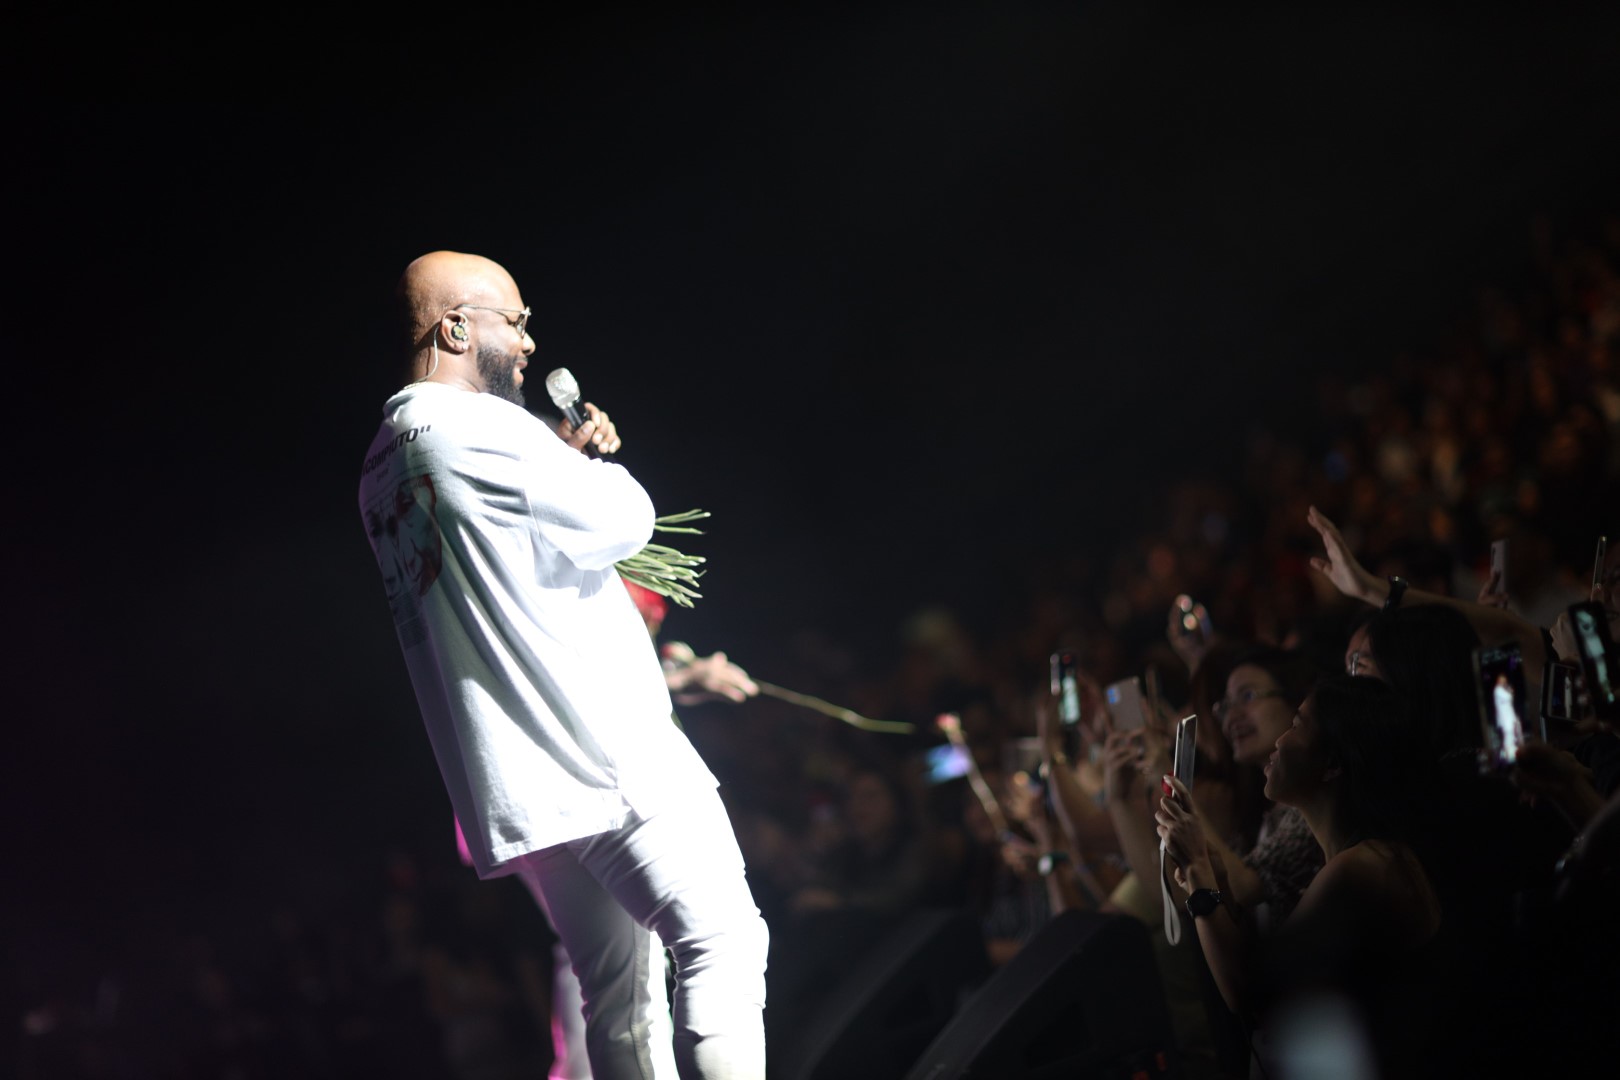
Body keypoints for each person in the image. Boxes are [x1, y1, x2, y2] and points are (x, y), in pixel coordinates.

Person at [358, 251, 768, 1079]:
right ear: (455, 328)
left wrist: (549, 456)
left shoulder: (380, 464)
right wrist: (582, 463)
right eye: (515, 321)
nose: (529, 342)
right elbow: (626, 520)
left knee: (619, 1005)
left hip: (519, 787)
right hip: (602, 754)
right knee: (722, 940)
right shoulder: (480, 426)